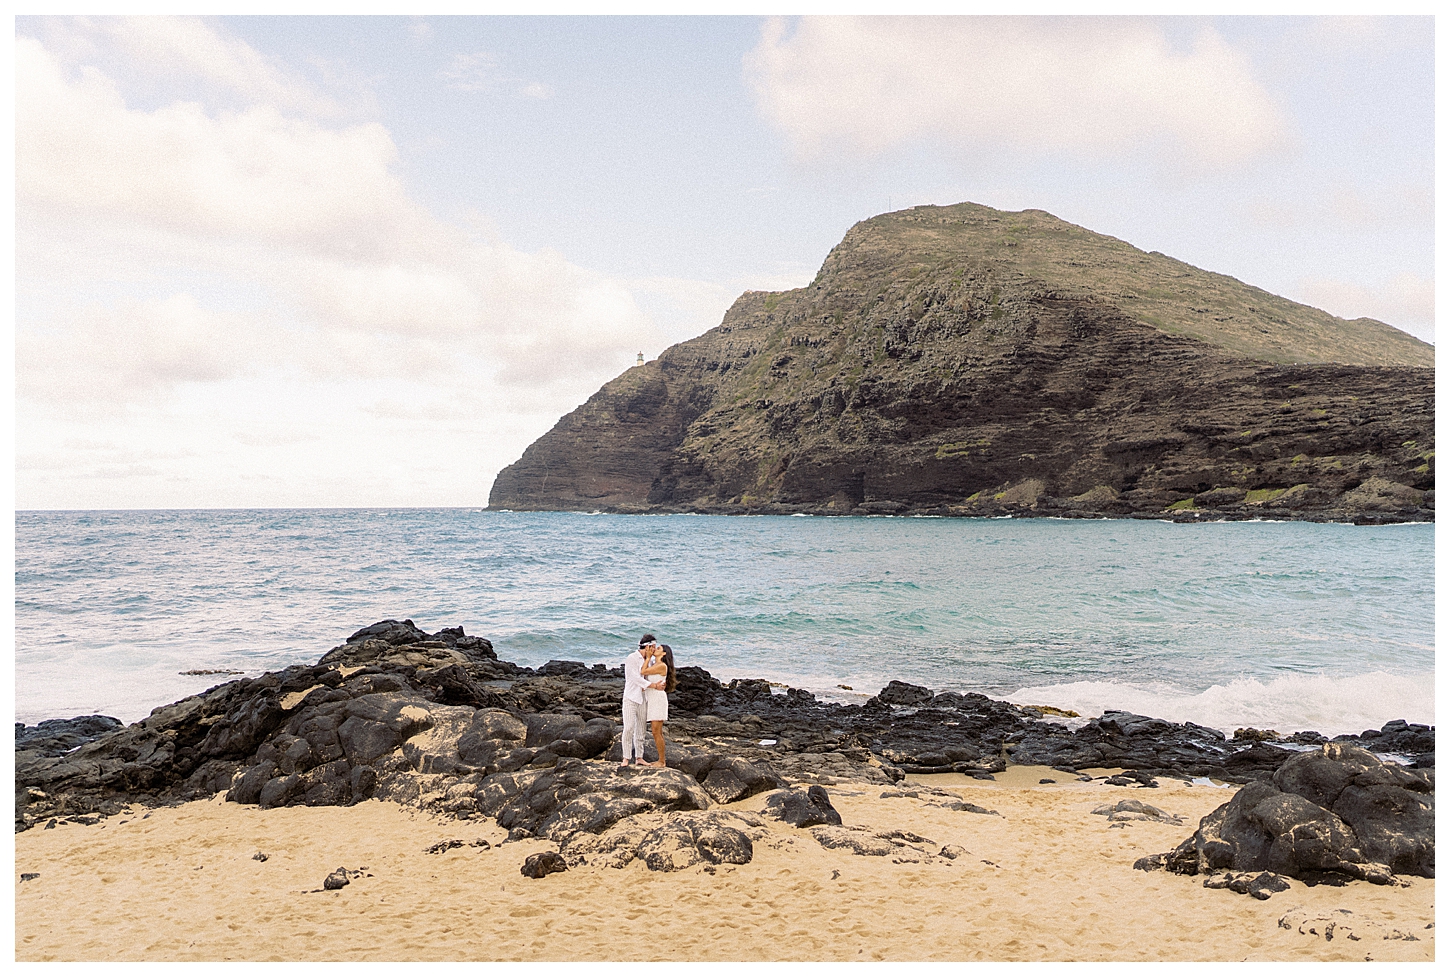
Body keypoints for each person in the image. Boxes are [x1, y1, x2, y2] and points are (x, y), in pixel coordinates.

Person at [620, 634, 655, 766]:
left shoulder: (650, 660)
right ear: (647, 646)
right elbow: (635, 677)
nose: (654, 649)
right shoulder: (632, 658)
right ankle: (626, 757)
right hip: (631, 697)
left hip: (643, 698)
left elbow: (649, 674)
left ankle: (639, 757)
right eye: (653, 647)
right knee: (628, 728)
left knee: (641, 728)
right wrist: (652, 686)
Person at [640, 641, 676, 768]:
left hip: (658, 700)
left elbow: (643, 671)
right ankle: (661, 760)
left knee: (656, 731)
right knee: (656, 731)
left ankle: (662, 761)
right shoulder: (656, 664)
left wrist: (648, 657)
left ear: (664, 653)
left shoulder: (661, 665)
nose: (655, 649)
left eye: (658, 648)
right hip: (653, 698)